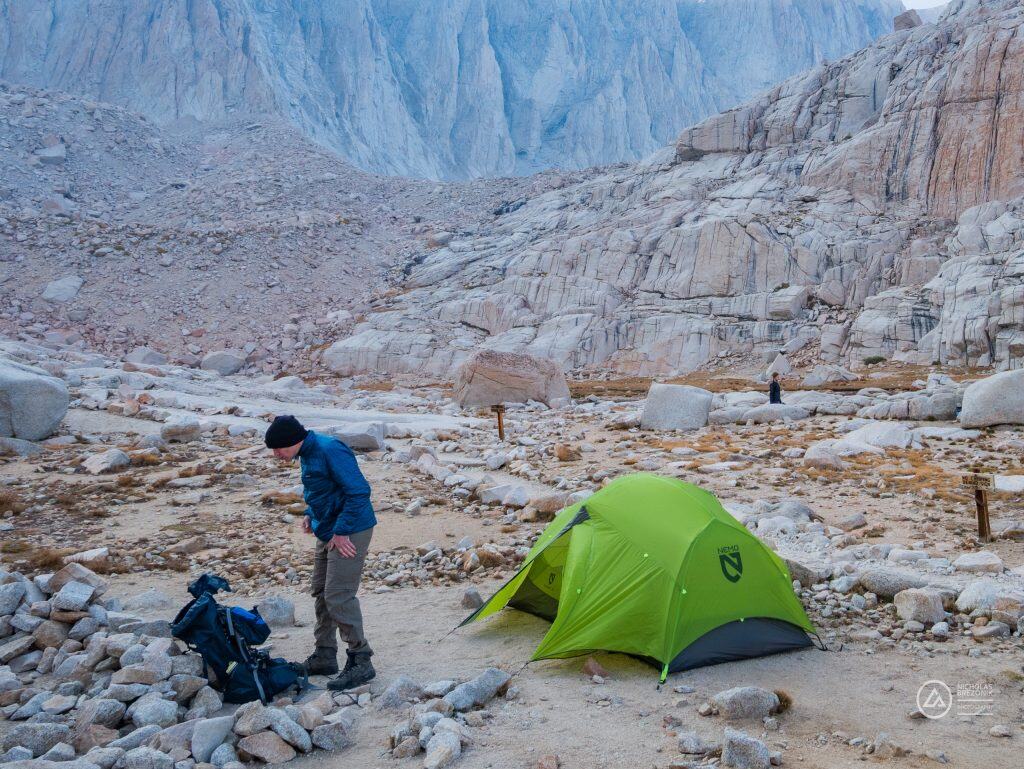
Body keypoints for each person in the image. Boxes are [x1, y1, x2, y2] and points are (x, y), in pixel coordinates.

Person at [265, 415, 377, 691]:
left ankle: (361, 659)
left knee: (338, 594)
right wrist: (309, 514)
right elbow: (320, 489)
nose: (276, 454)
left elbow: (359, 491)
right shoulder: (306, 453)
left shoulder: (330, 449)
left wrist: (341, 531)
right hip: (327, 530)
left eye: (278, 448)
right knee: (320, 591)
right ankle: (325, 655)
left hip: (350, 530)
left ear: (293, 440)